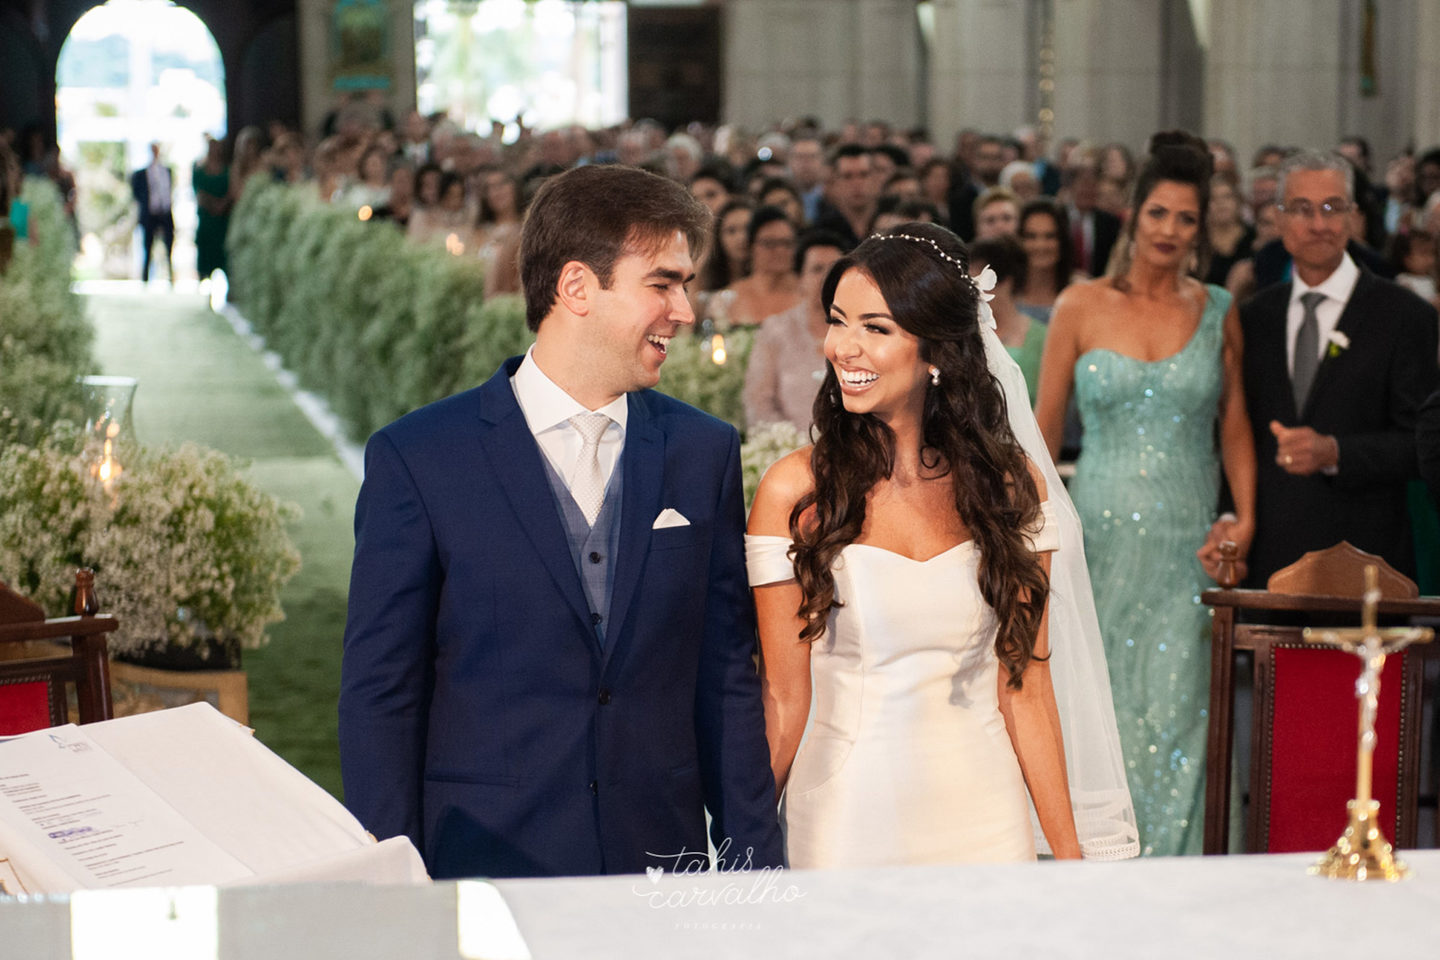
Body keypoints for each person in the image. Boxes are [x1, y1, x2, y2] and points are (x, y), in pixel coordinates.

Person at [339, 163, 785, 879]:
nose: (686, 311)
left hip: (658, 866)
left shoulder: (702, 452)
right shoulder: (421, 460)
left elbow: (725, 681)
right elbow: (380, 697)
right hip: (483, 864)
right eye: (663, 283)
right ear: (576, 287)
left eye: (688, 285)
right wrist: (391, 884)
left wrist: (755, 867)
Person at [747, 221, 1137, 868]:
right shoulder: (797, 491)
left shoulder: (1011, 487)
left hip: (986, 814)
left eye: (876, 328)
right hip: (846, 816)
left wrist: (1071, 861)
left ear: (935, 353)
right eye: (838, 320)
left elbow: (1027, 687)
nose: (843, 347)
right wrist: (739, 842)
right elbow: (785, 701)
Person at [1034, 132, 1256, 857]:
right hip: (1094, 543)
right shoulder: (1078, 306)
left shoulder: (1220, 306)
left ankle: (1180, 895)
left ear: (1202, 228)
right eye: (1158, 213)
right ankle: (1096, 882)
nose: (1170, 231)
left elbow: (1235, 427)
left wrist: (1245, 519)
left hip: (1186, 549)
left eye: (1185, 219)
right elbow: (1038, 435)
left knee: (1182, 717)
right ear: (1133, 214)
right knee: (1099, 713)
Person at [1237, 150, 1439, 586]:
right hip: (1269, 568)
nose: (1318, 224)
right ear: (1279, 219)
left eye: (1332, 208)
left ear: (1353, 217)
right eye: (1302, 209)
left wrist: (1337, 452)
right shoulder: (1253, 318)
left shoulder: (1406, 316)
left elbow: (1423, 447)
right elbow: (1238, 438)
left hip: (1369, 567)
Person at [742, 229, 848, 433]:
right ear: (800, 278)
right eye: (817, 269)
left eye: (834, 270)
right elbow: (758, 404)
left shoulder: (860, 331)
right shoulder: (776, 331)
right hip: (789, 450)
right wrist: (790, 444)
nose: (826, 278)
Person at [970, 234, 1046, 405]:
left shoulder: (1042, 337)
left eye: (978, 283)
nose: (972, 292)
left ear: (1005, 282)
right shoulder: (967, 333)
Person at [712, 205, 799, 328]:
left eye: (786, 243)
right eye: (770, 243)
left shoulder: (808, 294)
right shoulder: (727, 299)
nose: (780, 250)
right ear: (751, 246)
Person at [1015, 198, 1080, 323]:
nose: (1040, 245)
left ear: (1063, 241)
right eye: (1031, 236)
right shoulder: (1003, 291)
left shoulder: (1081, 291)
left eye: (1050, 236)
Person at [130, 142, 174, 284]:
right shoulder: (141, 174)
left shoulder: (167, 171)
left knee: (169, 246)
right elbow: (136, 194)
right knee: (147, 248)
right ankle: (145, 279)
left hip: (165, 214)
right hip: (150, 215)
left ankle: (171, 277)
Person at [192, 137, 231, 282]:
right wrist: (213, 204)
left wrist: (222, 204)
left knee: (222, 256)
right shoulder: (199, 170)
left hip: (222, 222)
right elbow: (199, 194)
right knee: (206, 259)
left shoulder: (227, 170)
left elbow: (231, 191)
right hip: (206, 221)